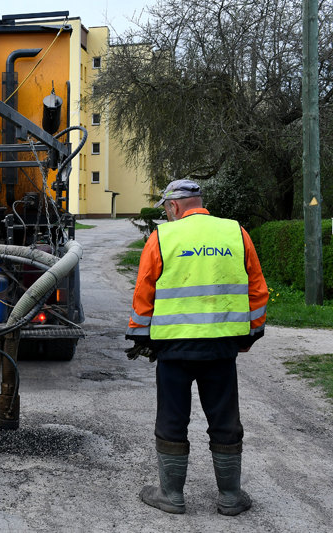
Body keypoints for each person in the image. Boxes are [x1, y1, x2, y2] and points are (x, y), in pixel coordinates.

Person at [125, 179, 268, 516]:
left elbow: (144, 293)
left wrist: (141, 337)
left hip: (174, 349)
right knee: (224, 418)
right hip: (221, 348)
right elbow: (257, 289)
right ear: (200, 202)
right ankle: (230, 497)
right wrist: (250, 334)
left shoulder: (162, 237)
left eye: (166, 209)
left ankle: (171, 496)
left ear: (173, 206)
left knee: (173, 418)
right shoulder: (236, 233)